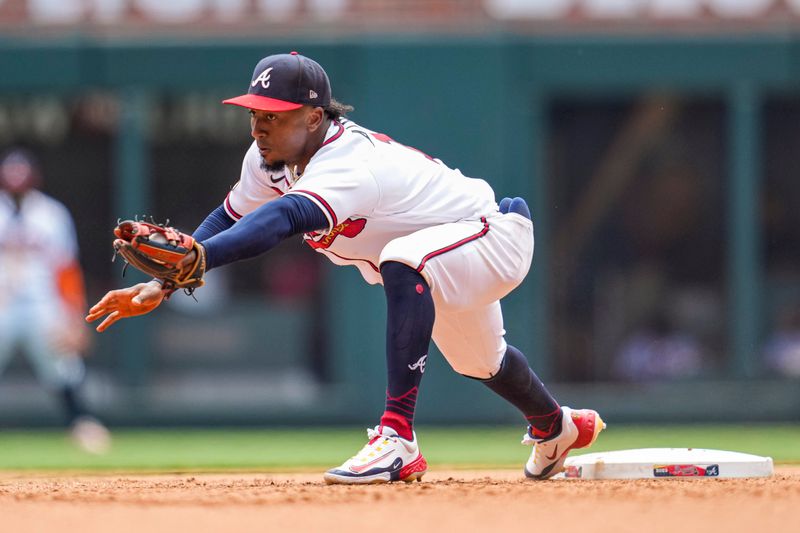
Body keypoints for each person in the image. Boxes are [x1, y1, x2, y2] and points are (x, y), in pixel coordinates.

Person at [86, 52, 604, 482]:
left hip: (494, 235)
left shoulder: (348, 162)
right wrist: (162, 283)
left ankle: (397, 438)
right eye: (255, 113)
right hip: (443, 254)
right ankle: (554, 426)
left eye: (275, 115)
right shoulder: (265, 161)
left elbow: (285, 217)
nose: (260, 127)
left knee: (402, 260)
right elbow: (229, 216)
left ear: (314, 118)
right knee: (479, 360)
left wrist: (198, 261)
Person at [0, 148, 111, 454]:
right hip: (2, 304)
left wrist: (73, 316)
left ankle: (82, 423)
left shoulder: (51, 213)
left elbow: (65, 269)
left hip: (41, 304)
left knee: (63, 367)